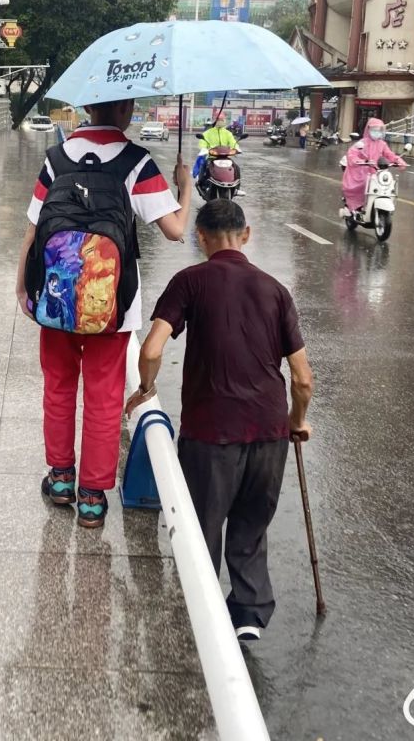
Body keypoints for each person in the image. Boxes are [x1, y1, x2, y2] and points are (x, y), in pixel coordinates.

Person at [126, 200, 314, 641]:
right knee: (251, 525)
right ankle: (248, 615)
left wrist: (146, 389)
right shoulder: (274, 290)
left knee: (203, 528)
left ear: (201, 238)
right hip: (269, 432)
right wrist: (296, 421)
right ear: (246, 235)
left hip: (211, 433)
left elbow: (152, 349)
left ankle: (205, 617)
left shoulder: (189, 281)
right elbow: (303, 379)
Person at [15, 98, 192, 528]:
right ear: (126, 107)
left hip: (55, 296)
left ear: (90, 106)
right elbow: (176, 231)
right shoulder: (136, 160)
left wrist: (23, 285)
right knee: (104, 397)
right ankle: (92, 497)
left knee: (58, 387)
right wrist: (185, 186)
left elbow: (34, 229)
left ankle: (60, 478)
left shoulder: (57, 157)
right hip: (113, 305)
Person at [342, 116, 407, 214]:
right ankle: (354, 207)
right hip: (362, 171)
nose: (377, 132)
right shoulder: (362, 143)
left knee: (388, 185)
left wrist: (398, 160)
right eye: (374, 130)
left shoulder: (382, 144)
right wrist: (359, 161)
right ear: (368, 130)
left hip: (377, 171)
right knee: (363, 183)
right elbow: (352, 154)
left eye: (379, 130)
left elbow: (389, 154)